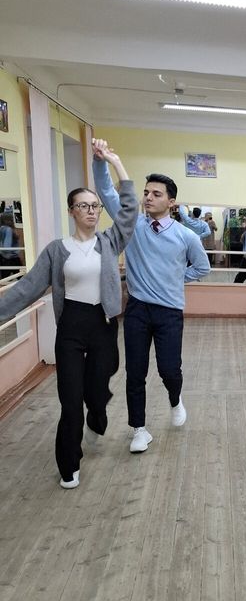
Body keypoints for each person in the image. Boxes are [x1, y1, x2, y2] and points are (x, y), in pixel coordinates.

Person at [0, 144, 136, 488]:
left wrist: (116, 162)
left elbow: (129, 210)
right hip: (72, 327)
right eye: (84, 206)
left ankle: (97, 417)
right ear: (71, 211)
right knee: (71, 400)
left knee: (96, 393)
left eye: (95, 206)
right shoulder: (57, 250)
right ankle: (69, 464)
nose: (91, 211)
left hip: (103, 324)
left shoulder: (110, 241)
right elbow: (27, 288)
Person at [92, 138, 210, 454]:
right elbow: (107, 192)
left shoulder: (186, 236)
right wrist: (100, 160)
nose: (148, 197)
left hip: (169, 312)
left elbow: (203, 267)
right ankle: (139, 429)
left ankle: (175, 398)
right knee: (136, 373)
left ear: (171, 202)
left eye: (156, 194)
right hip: (138, 310)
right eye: (146, 192)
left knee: (170, 370)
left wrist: (176, 278)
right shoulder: (132, 224)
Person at [0, 212, 22, 277]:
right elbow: (7, 246)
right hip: (11, 258)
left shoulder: (1, 229)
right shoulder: (8, 229)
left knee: (5, 278)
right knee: (21, 277)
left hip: (4, 257)